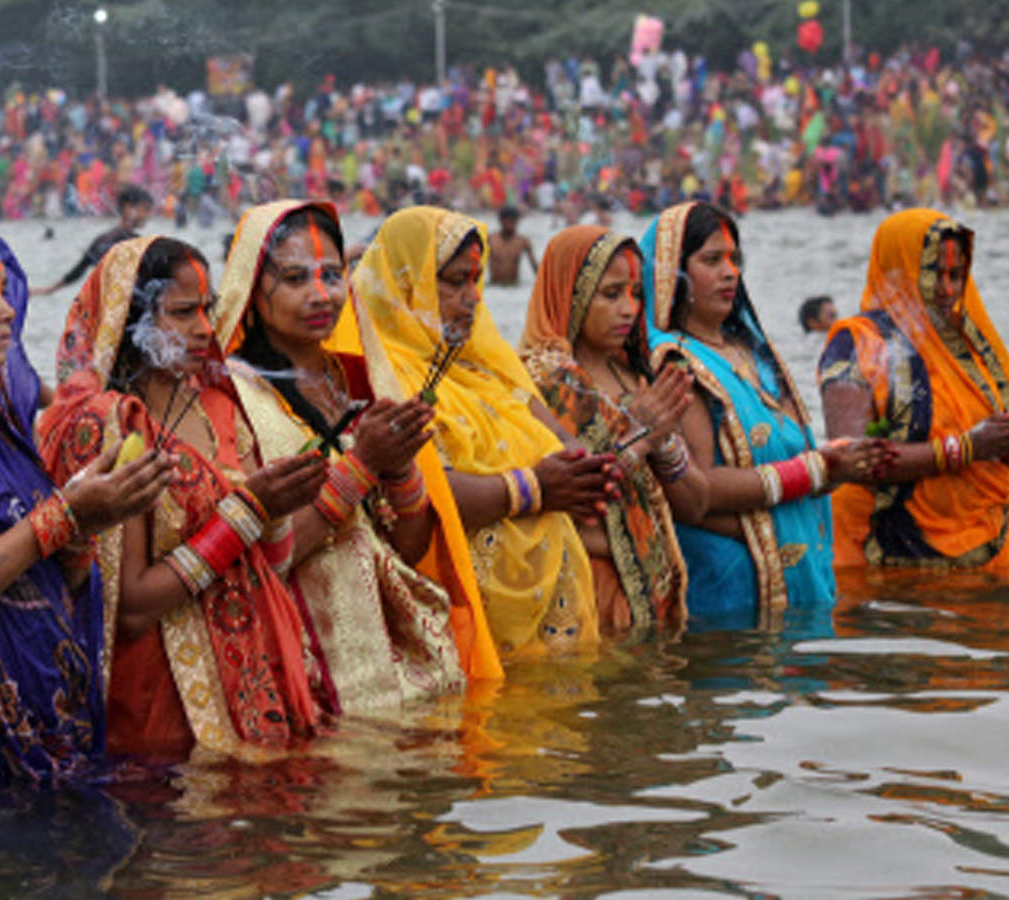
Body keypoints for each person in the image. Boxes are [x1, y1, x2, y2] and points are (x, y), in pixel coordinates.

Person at [37, 236, 329, 762]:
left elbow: (271, 569)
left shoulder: (220, 408)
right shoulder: (107, 426)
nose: (204, 329)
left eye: (207, 309)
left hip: (249, 686)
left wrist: (279, 512)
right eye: (182, 312)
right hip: (154, 708)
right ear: (130, 321)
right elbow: (129, 607)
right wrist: (247, 512)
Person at [216, 200, 501, 712]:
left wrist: (397, 470)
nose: (322, 294)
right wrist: (362, 467)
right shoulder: (230, 396)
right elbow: (251, 565)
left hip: (397, 667)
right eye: (296, 278)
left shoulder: (359, 382)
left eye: (332, 274)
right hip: (297, 674)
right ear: (254, 289)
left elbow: (406, 548)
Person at [348, 206, 617, 658]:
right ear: (407, 281)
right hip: (460, 626)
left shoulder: (483, 365)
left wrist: (586, 471)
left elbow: (565, 446)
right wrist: (533, 488)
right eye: (454, 282)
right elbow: (423, 490)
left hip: (551, 620)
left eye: (476, 279)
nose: (473, 297)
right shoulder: (378, 377)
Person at [0, 227, 172, 785]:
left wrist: (86, 526)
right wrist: (64, 516)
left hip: (50, 745)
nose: (6, 313)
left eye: (2, 292)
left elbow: (44, 577)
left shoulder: (2, 428)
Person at [640, 202, 890, 630]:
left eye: (735, 259)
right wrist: (818, 469)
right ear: (671, 274)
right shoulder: (674, 362)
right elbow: (698, 486)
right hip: (730, 593)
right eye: (711, 260)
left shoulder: (755, 349)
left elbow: (797, 447)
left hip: (798, 577)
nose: (729, 272)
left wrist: (841, 460)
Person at [817, 208, 1009, 568]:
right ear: (898, 269)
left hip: (980, 553)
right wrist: (968, 447)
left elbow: (991, 443)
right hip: (878, 563)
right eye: (934, 274)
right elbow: (850, 459)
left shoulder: (971, 349)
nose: (948, 290)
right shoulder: (858, 343)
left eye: (957, 275)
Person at [520, 225, 708, 635]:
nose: (629, 309)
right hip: (586, 595)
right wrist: (639, 437)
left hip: (653, 597)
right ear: (570, 293)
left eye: (636, 294)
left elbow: (696, 502)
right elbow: (555, 510)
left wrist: (662, 445)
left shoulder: (636, 376)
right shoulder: (539, 384)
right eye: (611, 294)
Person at [31, 184, 154, 297]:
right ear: (128, 208)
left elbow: (79, 270)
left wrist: (49, 289)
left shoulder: (102, 240)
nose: (148, 215)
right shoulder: (138, 244)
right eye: (145, 209)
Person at [487, 205, 537, 286]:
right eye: (508, 221)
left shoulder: (523, 242)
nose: (511, 224)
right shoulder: (490, 240)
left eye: (513, 221)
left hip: (514, 286)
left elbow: (535, 268)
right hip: (494, 285)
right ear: (501, 221)